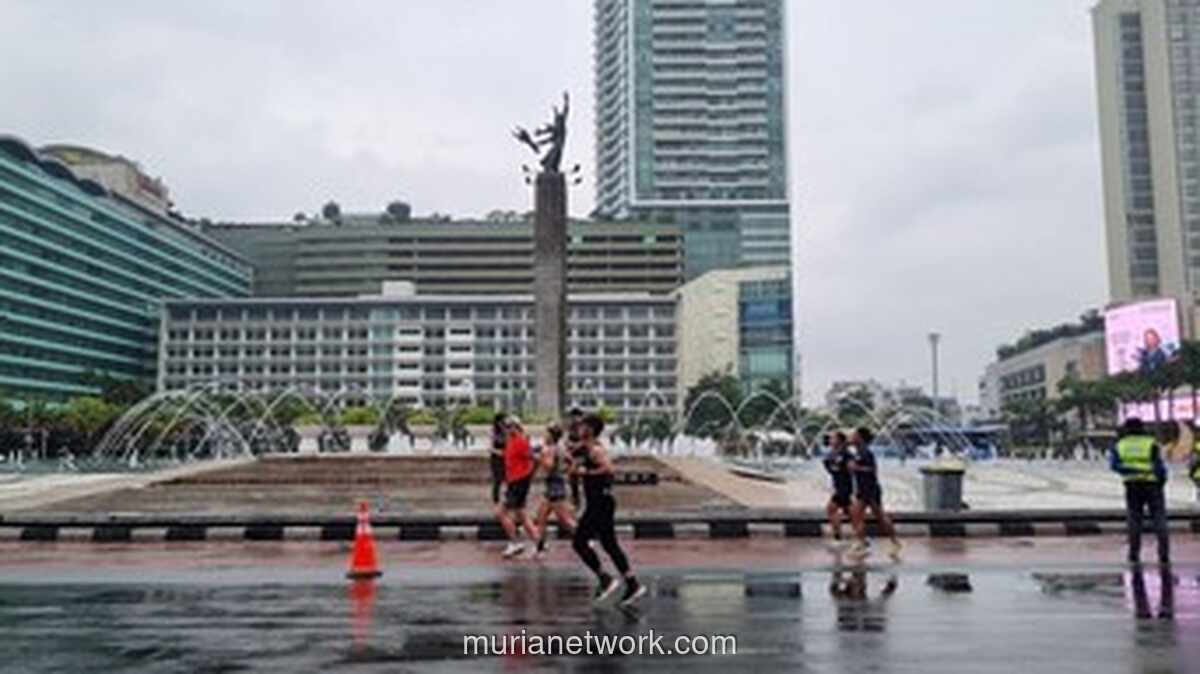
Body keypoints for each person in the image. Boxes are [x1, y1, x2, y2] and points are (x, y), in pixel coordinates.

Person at [571, 413, 645, 607]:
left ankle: (605, 579)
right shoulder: (586, 449)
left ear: (590, 430)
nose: (579, 429)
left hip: (601, 502)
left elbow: (609, 469)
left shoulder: (596, 450)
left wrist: (585, 472)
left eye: (582, 426)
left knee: (579, 542)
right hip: (599, 501)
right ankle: (632, 584)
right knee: (609, 544)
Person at [1110, 417, 1170, 565]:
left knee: (1134, 519)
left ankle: (1134, 554)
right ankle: (1163, 554)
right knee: (1159, 518)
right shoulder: (1151, 443)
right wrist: (1161, 480)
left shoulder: (1120, 445)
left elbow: (1114, 466)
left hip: (1132, 485)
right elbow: (1159, 466)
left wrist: (1131, 471)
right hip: (1152, 484)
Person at [848, 427, 902, 559]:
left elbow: (872, 470)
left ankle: (891, 542)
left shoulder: (866, 452)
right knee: (858, 515)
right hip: (862, 489)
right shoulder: (858, 452)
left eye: (854, 435)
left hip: (870, 489)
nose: (851, 437)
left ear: (860, 438)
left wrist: (857, 468)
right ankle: (863, 543)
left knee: (878, 517)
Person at [498, 417, 540, 558]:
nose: (508, 430)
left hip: (518, 481)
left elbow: (533, 458)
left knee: (501, 512)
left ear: (517, 427)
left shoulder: (521, 441)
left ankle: (515, 542)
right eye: (507, 427)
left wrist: (528, 475)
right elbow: (511, 458)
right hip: (514, 481)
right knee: (522, 514)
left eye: (511, 427)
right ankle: (538, 542)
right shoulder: (512, 441)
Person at [533, 423, 577, 558]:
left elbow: (549, 466)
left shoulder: (551, 449)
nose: (544, 436)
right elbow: (571, 461)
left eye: (546, 433)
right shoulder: (560, 447)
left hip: (555, 486)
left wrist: (538, 458)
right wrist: (567, 471)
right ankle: (540, 548)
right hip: (555, 484)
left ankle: (585, 538)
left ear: (552, 436)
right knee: (541, 517)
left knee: (565, 520)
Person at [822, 432, 853, 546]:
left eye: (833, 438)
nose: (830, 440)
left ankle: (838, 538)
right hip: (840, 486)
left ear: (839, 440)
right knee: (852, 514)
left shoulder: (845, 454)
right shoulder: (834, 453)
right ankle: (860, 539)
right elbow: (832, 469)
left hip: (844, 488)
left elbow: (850, 470)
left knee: (831, 509)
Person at [565, 407, 586, 511]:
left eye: (576, 416)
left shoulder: (584, 428)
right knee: (572, 479)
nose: (574, 419)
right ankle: (575, 500)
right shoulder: (571, 428)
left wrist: (576, 446)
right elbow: (567, 441)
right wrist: (569, 448)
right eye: (572, 417)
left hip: (583, 456)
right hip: (573, 457)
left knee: (577, 476)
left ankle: (578, 501)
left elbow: (586, 442)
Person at [488, 414, 508, 515]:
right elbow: (490, 447)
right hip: (496, 458)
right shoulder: (493, 431)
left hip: (506, 458)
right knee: (497, 480)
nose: (503, 423)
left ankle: (507, 499)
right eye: (502, 421)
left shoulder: (506, 430)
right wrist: (498, 452)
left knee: (508, 478)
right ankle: (496, 501)